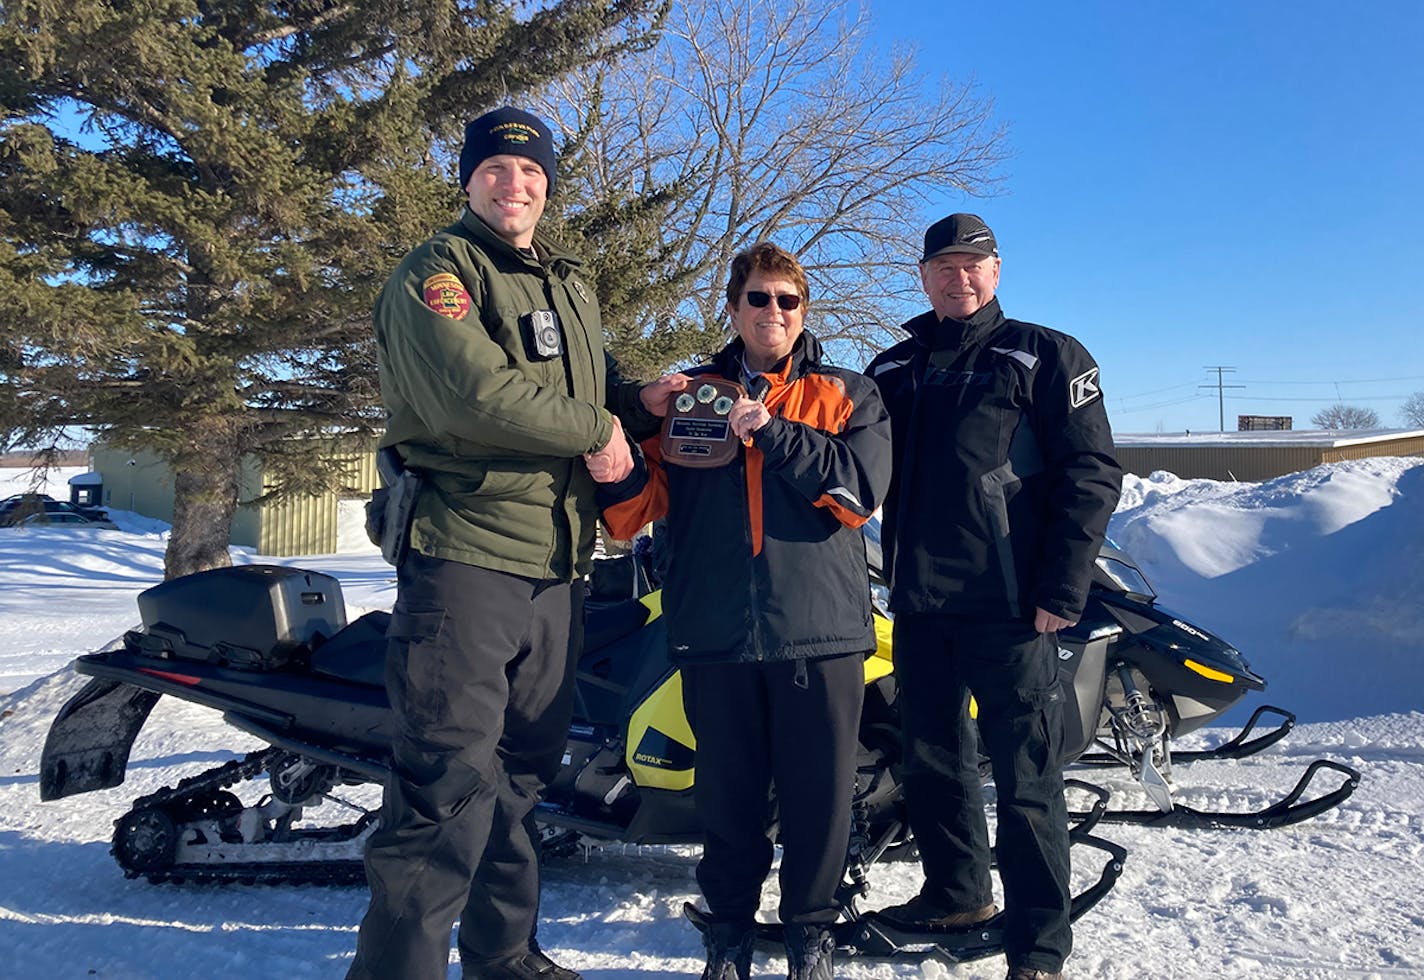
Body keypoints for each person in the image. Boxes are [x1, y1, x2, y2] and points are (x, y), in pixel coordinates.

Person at [348, 106, 667, 980]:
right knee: (445, 786)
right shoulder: (440, 273)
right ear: (467, 178)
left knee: (521, 778)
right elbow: (473, 397)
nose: (514, 184)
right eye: (495, 168)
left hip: (557, 568)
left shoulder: (564, 281)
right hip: (467, 560)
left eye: (531, 173)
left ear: (549, 186)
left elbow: (588, 389)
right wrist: (598, 429)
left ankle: (504, 956)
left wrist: (643, 403)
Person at [596, 243, 892, 980]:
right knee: (726, 800)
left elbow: (859, 493)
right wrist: (615, 458)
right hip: (714, 630)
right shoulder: (688, 395)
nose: (772, 312)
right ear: (732, 308)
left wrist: (774, 433)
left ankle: (809, 934)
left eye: (786, 301)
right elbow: (638, 511)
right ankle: (727, 930)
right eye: (757, 298)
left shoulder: (848, 393)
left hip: (818, 635)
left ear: (803, 315)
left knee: (818, 801)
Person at [865, 214, 1122, 980]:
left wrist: (1062, 587)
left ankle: (1039, 946)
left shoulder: (1045, 355)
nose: (958, 277)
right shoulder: (895, 367)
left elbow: (1092, 473)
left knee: (1027, 781)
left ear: (997, 271)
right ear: (922, 277)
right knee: (933, 760)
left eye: (973, 264)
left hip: (1011, 608)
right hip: (919, 604)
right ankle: (956, 892)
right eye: (943, 265)